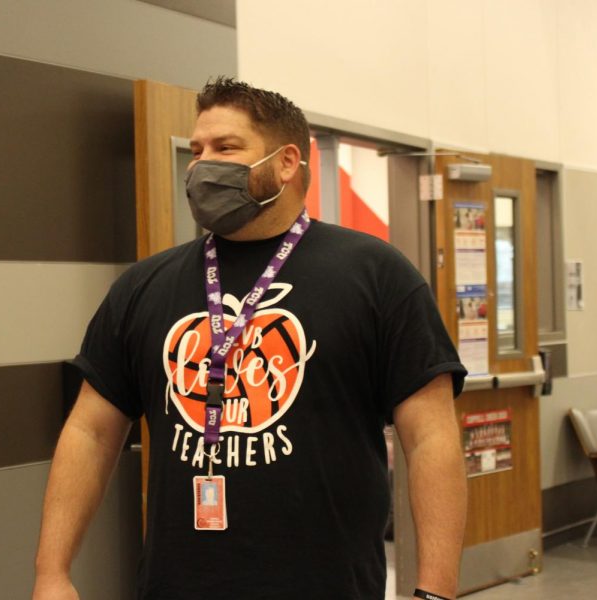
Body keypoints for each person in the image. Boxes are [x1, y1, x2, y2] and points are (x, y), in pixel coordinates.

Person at [33, 77, 468, 600]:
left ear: (286, 163)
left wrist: (436, 591)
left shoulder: (377, 276)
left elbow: (431, 438)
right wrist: (51, 572)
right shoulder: (143, 286)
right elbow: (91, 433)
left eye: (226, 148)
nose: (201, 165)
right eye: (196, 150)